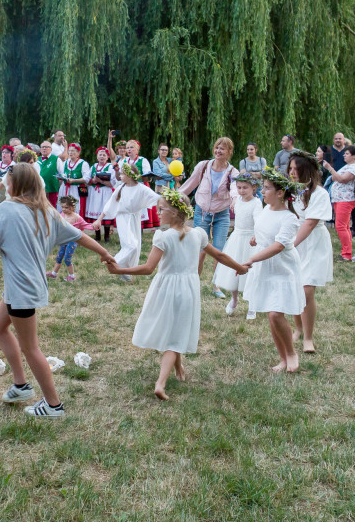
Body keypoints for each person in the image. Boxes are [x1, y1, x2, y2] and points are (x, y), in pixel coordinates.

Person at [0, 164, 116, 418]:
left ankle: (53, 405)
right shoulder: (46, 211)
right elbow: (78, 235)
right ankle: (20, 385)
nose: (4, 185)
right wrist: (103, 252)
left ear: (16, 185)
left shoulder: (7, 209)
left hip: (22, 289)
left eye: (7, 181)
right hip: (27, 286)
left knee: (31, 348)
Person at [110, 190, 246, 399]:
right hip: (188, 288)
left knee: (173, 337)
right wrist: (239, 267)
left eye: (161, 209)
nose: (158, 212)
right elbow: (219, 255)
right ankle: (179, 369)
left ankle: (160, 383)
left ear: (174, 213)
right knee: (178, 328)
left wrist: (120, 269)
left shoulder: (163, 237)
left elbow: (148, 268)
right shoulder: (198, 234)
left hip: (165, 288)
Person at [240, 170, 306, 374]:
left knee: (277, 313)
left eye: (267, 188)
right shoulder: (264, 209)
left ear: (280, 193)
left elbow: (278, 246)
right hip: (265, 267)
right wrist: (255, 239)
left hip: (282, 268)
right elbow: (263, 232)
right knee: (271, 315)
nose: (262, 191)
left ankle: (292, 353)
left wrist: (251, 258)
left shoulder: (290, 218)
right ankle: (283, 358)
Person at [179, 137, 239, 290]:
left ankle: (216, 286)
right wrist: (176, 195)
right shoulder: (204, 165)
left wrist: (234, 199)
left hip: (222, 213)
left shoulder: (233, 171)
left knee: (219, 249)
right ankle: (194, 283)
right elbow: (191, 183)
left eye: (223, 148)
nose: (218, 151)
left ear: (229, 152)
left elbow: (234, 188)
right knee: (200, 249)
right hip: (202, 211)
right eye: (217, 147)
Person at [287, 152, 332, 354]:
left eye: (296, 169)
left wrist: (292, 244)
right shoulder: (290, 192)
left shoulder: (319, 193)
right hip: (293, 241)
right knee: (294, 287)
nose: (292, 173)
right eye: (290, 169)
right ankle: (297, 327)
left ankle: (308, 338)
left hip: (312, 244)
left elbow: (310, 222)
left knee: (306, 290)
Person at [92, 162, 161, 281]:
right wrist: (99, 219)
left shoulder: (141, 188)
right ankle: (115, 264)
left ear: (130, 175)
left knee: (136, 246)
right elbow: (110, 205)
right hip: (122, 218)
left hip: (135, 218)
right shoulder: (120, 188)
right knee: (131, 245)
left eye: (123, 174)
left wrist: (171, 198)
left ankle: (126, 273)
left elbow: (157, 198)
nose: (120, 176)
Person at [213, 173, 262, 316]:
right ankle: (234, 299)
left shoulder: (256, 203)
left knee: (251, 273)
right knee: (232, 270)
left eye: (245, 188)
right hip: (237, 237)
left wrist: (256, 234)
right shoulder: (237, 200)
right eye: (239, 187)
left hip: (249, 240)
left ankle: (252, 304)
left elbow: (258, 220)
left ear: (254, 187)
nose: (241, 190)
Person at [322, 145, 355, 260]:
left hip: (346, 199)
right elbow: (335, 178)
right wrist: (336, 176)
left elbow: (342, 179)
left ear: (354, 155)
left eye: (347, 153)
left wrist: (330, 168)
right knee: (345, 226)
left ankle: (346, 254)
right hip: (339, 198)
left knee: (340, 226)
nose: (344, 155)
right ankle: (346, 251)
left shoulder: (354, 167)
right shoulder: (348, 166)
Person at [46, 196, 92, 281]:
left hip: (72, 241)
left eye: (66, 207)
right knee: (59, 257)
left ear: (72, 207)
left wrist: (94, 226)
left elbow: (86, 225)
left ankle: (72, 276)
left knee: (67, 258)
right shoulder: (62, 215)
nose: (64, 209)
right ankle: (53, 273)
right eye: (62, 207)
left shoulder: (77, 217)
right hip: (64, 240)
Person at [85, 147, 118, 242]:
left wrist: (101, 181)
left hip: (106, 192)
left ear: (107, 157)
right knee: (95, 211)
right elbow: (87, 179)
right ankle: (97, 235)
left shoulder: (110, 167)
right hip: (94, 192)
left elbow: (113, 183)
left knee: (105, 211)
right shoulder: (94, 166)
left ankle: (107, 236)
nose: (102, 156)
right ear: (97, 156)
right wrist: (93, 180)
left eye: (104, 155)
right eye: (100, 154)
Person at [56, 143, 90, 215]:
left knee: (76, 208)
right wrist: (60, 177)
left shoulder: (83, 163)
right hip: (65, 188)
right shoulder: (66, 162)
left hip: (77, 189)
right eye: (69, 151)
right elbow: (62, 174)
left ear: (78, 152)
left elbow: (86, 178)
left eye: (73, 151)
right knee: (63, 207)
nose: (71, 153)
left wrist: (74, 180)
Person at [36, 141, 61, 207]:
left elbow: (62, 174)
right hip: (39, 189)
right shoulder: (36, 160)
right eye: (42, 147)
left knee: (51, 208)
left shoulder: (56, 159)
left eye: (46, 147)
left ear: (51, 149)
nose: (44, 148)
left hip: (52, 189)